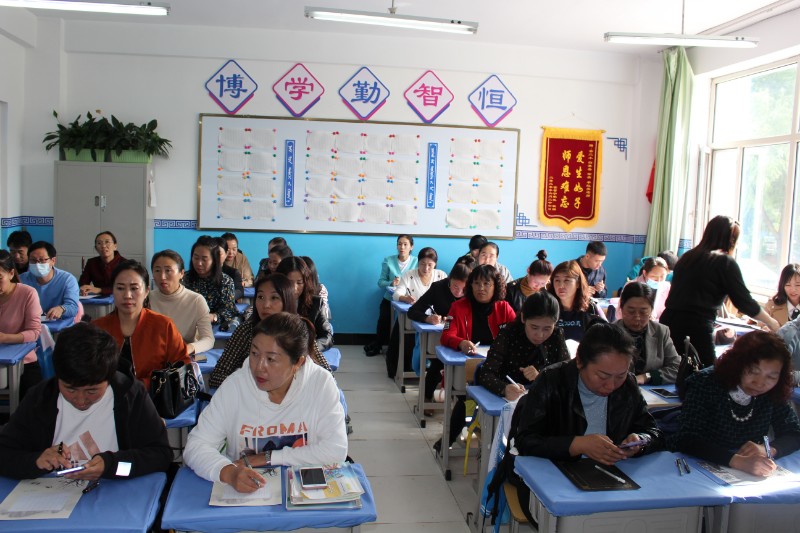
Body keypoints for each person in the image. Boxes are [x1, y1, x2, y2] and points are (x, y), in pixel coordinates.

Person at [183, 313, 347, 493]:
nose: (259, 367)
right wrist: (229, 472)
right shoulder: (235, 386)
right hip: (246, 494)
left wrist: (268, 457)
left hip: (304, 492)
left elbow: (336, 451)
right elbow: (196, 445)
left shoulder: (320, 384)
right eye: (254, 354)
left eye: (271, 359)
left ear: (298, 363)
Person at [0, 322, 172, 480]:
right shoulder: (40, 399)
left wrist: (112, 466)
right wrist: (36, 462)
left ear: (109, 378)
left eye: (92, 391)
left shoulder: (131, 397)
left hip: (115, 496)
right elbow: (5, 456)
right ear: (58, 377)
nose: (80, 400)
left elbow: (160, 457)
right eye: (70, 389)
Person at [515, 321, 663, 463]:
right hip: (556, 471)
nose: (611, 385)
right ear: (580, 361)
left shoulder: (628, 384)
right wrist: (576, 445)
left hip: (612, 470)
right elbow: (525, 441)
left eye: (620, 376)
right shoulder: (551, 381)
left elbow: (653, 432)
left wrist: (640, 441)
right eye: (603, 376)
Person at [673, 331, 800, 476]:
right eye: (753, 372)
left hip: (746, 472)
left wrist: (768, 449)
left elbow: (794, 433)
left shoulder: (773, 392)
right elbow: (688, 439)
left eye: (771, 377)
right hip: (696, 466)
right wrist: (738, 461)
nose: (760, 383)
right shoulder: (705, 383)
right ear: (737, 364)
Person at [660, 216, 779, 367]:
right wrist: (772, 322)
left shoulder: (688, 257)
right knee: (706, 373)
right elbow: (744, 302)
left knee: (674, 369)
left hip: (668, 321)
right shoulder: (724, 261)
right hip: (696, 327)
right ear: (731, 241)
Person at [438, 264, 516, 448]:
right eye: (477, 283)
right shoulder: (457, 307)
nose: (481, 288)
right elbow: (446, 335)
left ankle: (498, 444)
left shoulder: (504, 308)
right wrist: (461, 343)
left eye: (486, 284)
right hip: (469, 366)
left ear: (495, 286)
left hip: (500, 367)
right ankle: (447, 441)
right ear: (470, 285)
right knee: (467, 397)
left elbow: (518, 336)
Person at [209, 273, 331, 388]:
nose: (266, 305)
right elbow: (217, 376)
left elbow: (327, 375)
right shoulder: (246, 331)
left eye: (274, 298)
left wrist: (287, 388)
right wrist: (252, 386)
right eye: (260, 297)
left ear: (287, 301)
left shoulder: (300, 331)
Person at [93, 260, 190, 389]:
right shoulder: (97, 328)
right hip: (106, 396)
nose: (127, 295)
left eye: (134, 288)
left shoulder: (163, 326)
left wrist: (144, 385)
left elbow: (182, 367)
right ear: (112, 291)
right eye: (120, 288)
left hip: (154, 396)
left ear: (146, 291)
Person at [479, 291, 569, 400]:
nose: (540, 335)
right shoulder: (509, 333)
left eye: (547, 328)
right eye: (534, 327)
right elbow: (485, 373)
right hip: (507, 401)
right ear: (523, 318)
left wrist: (541, 376)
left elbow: (567, 375)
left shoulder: (556, 335)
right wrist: (504, 388)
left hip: (544, 400)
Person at [408, 262, 472, 402]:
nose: (459, 292)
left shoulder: (473, 292)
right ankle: (426, 398)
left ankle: (458, 401)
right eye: (455, 286)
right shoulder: (438, 287)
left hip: (466, 337)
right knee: (438, 364)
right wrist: (428, 318)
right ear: (449, 279)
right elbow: (412, 311)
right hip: (442, 336)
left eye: (464, 289)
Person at [388, 247, 447, 378]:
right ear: (418, 262)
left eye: (430, 265)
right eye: (422, 264)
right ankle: (408, 369)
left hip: (435, 320)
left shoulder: (441, 275)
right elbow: (396, 294)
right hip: (415, 316)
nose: (426, 268)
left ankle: (435, 374)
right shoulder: (409, 275)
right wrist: (405, 298)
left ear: (435, 264)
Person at [149, 250, 214, 357]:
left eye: (168, 270)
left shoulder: (196, 300)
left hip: (181, 356)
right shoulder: (146, 299)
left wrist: (188, 348)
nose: (162, 276)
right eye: (157, 270)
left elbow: (208, 339)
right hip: (153, 355)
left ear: (181, 273)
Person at [614, 282, 680, 385]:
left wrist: (647, 377)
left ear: (651, 310)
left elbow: (677, 368)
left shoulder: (661, 331)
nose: (637, 317)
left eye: (643, 312)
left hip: (649, 391)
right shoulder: (609, 332)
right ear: (621, 309)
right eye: (631, 311)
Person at [364, 234, 417, 357]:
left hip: (408, 300)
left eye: (405, 244)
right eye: (399, 244)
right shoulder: (388, 260)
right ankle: (378, 346)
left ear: (411, 247)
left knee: (405, 324)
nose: (402, 247)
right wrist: (391, 283)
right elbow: (380, 282)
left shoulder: (416, 262)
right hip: (390, 298)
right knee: (383, 319)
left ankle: (400, 350)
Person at [0, 250, 41, 396]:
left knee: (29, 399)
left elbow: (34, 332)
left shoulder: (28, 293)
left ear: (11, 273)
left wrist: (4, 338)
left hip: (23, 362)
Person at [275, 257, 333, 352]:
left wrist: (308, 349)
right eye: (289, 282)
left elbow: (327, 337)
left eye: (299, 282)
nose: (294, 288)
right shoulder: (271, 303)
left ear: (305, 283)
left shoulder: (315, 303)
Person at [183, 235, 238, 327]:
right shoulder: (184, 279)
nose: (199, 263)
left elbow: (228, 310)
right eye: (196, 258)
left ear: (214, 260)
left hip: (213, 327)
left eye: (204, 259)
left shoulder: (226, 281)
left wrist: (212, 317)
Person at [19, 241, 80, 321]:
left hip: (59, 325)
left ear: (53, 260)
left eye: (42, 260)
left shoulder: (67, 280)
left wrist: (62, 309)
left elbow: (73, 307)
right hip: (31, 323)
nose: (37, 264)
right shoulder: (22, 279)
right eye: (33, 260)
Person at [546, 260, 605, 342]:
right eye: (557, 280)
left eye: (567, 280)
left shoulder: (590, 307)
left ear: (578, 283)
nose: (561, 285)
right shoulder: (547, 307)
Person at [78, 231, 126, 296]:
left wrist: (100, 290)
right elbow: (83, 283)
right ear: (96, 248)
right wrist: (83, 289)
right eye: (99, 243)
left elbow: (124, 287)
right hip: (97, 299)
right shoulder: (92, 263)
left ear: (115, 246)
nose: (103, 246)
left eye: (107, 242)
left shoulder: (125, 264)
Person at [506, 249, 553, 313]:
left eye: (543, 283)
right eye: (536, 282)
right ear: (528, 271)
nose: (538, 286)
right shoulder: (511, 290)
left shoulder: (550, 290)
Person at [214, 236, 244, 301]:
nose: (215, 257)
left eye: (219, 254)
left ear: (226, 254)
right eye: (212, 253)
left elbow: (240, 291)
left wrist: (227, 296)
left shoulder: (233, 273)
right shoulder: (202, 272)